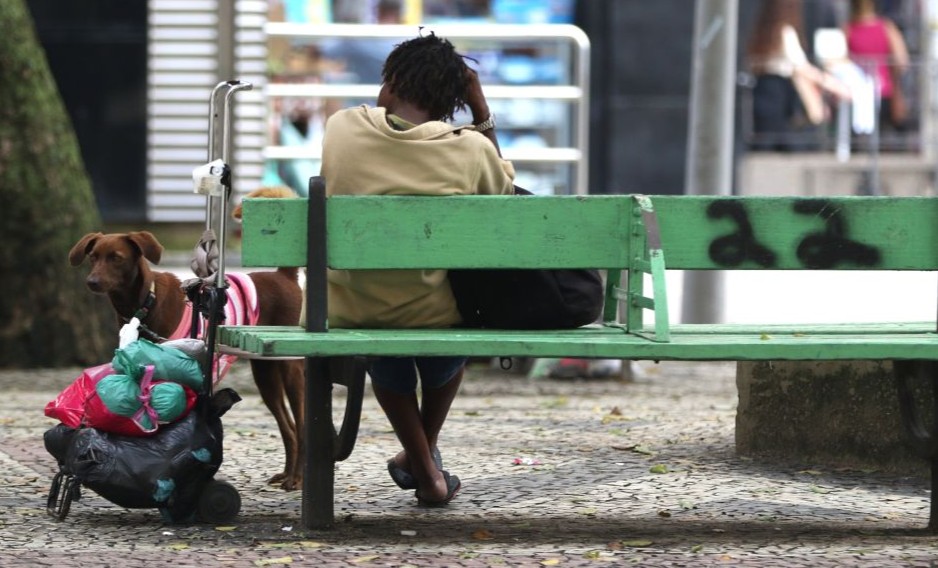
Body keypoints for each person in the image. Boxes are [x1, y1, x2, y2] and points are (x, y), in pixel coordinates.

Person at [319, 32, 515, 506]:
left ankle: (422, 463)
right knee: (443, 318)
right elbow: (507, 202)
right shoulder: (469, 149)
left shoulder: (340, 128)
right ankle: (425, 466)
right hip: (434, 310)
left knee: (386, 325)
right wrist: (480, 107)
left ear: (390, 83)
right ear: (451, 101)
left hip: (353, 306)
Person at [746, 0, 851, 151]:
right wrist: (835, 85)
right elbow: (801, 66)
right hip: (779, 95)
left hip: (762, 92)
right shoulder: (784, 32)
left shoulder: (760, 32)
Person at [845, 0, 910, 131]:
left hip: (856, 94)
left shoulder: (848, 29)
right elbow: (902, 61)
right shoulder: (887, 27)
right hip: (883, 91)